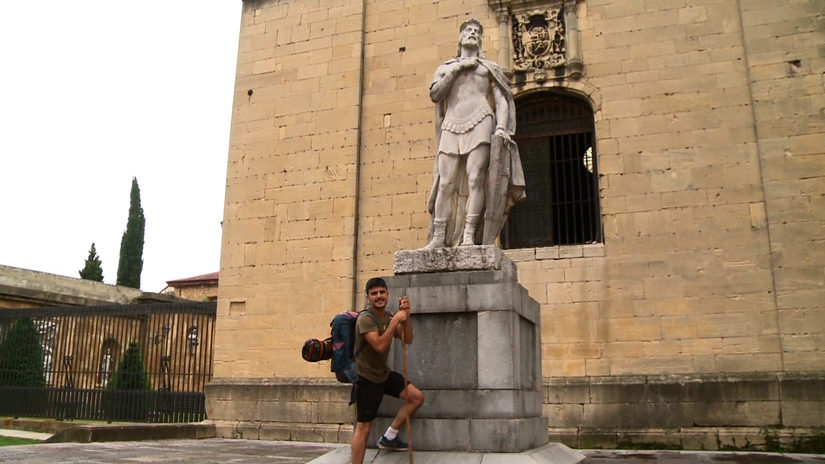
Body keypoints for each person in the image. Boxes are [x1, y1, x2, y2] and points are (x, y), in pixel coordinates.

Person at [425, 18, 526, 248]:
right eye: (468, 31)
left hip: (481, 120)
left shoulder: (488, 68)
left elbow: (501, 101)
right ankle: (439, 236)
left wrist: (501, 127)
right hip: (451, 123)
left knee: (475, 180)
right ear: (460, 38)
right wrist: (458, 69)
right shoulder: (445, 68)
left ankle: (470, 235)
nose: (472, 34)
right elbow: (436, 94)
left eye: (476, 32)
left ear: (480, 40)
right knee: (445, 183)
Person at [351, 277, 425, 464]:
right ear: (368, 297)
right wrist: (395, 322)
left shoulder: (389, 316)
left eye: (382, 292)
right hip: (367, 378)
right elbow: (380, 346)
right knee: (364, 427)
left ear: (387, 294)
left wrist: (406, 317)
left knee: (416, 397)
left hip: (383, 374)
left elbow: (407, 339)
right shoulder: (365, 319)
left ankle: (389, 436)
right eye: (374, 294)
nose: (379, 296)